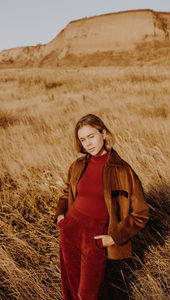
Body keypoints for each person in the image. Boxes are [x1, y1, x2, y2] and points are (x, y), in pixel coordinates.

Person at [53, 114, 149, 300]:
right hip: (71, 228)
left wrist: (114, 237)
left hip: (96, 235)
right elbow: (67, 194)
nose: (87, 143)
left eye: (91, 136)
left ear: (103, 133)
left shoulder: (123, 170)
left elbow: (141, 213)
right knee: (70, 291)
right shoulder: (78, 165)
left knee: (87, 294)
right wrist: (61, 217)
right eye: (82, 139)